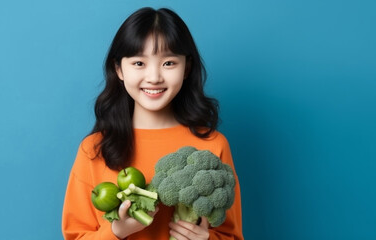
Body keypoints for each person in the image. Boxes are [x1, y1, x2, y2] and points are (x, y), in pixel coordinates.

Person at [62, 7, 243, 240]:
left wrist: (205, 239)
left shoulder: (213, 145)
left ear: (186, 68)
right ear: (119, 69)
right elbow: (75, 235)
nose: (154, 77)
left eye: (169, 63)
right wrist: (116, 232)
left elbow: (232, 236)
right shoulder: (94, 148)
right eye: (139, 63)